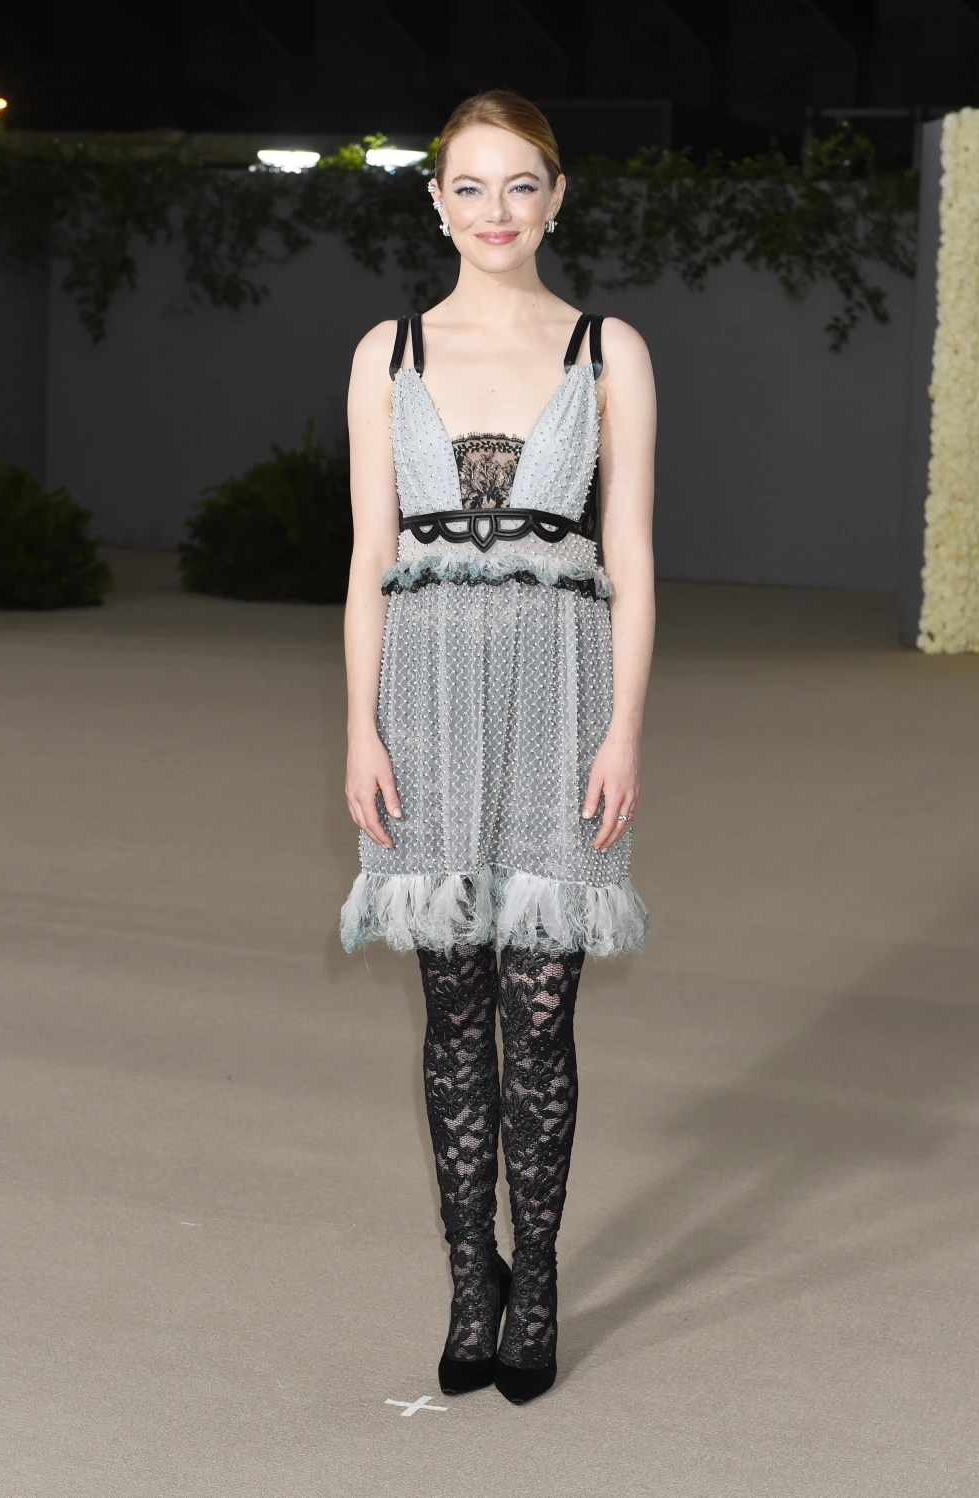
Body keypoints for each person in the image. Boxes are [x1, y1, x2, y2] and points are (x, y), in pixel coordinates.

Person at [340, 90, 656, 1404]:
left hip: (562, 693)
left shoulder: (606, 350)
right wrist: (357, 728)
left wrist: (624, 728)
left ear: (558, 196)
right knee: (454, 1006)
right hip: (423, 698)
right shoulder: (389, 351)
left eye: (521, 184)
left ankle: (544, 1279)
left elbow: (630, 552)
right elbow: (369, 555)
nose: (496, 211)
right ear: (436, 202)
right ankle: (475, 1281)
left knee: (541, 1006)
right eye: (469, 186)